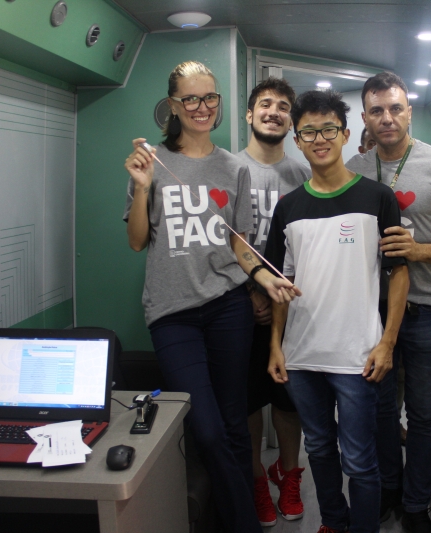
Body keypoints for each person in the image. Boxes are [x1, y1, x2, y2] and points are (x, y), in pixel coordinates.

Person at [123, 60, 299, 533]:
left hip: (227, 307)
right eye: (191, 99)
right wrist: (141, 189)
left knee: (235, 422)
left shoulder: (233, 167)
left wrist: (264, 279)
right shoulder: (151, 161)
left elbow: (239, 245)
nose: (202, 107)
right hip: (172, 312)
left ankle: (234, 519)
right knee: (206, 427)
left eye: (210, 98)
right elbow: (137, 241)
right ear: (173, 105)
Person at [346, 71, 431, 533]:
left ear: (409, 112)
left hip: (429, 308)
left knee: (423, 416)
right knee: (381, 411)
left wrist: (419, 250)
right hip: (374, 313)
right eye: (376, 110)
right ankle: (389, 489)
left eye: (395, 108)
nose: (387, 118)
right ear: (365, 117)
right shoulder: (354, 169)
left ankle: (415, 505)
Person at [266, 90, 410, 533]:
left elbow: (399, 274)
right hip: (302, 356)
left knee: (361, 459)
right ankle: (332, 521)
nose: (319, 139)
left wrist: (387, 343)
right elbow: (280, 284)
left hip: (357, 356)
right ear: (297, 140)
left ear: (346, 135)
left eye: (329, 129)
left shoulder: (377, 197)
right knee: (320, 449)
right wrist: (275, 346)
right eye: (308, 132)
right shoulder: (288, 208)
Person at [237, 77, 311, 527]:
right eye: (266, 104)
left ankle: (288, 474)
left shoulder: (304, 174)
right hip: (241, 308)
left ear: (291, 120)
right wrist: (251, 293)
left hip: (292, 310)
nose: (274, 112)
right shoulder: (229, 168)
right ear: (250, 114)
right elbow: (218, 242)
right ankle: (256, 482)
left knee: (289, 402)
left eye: (284, 106)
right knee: (248, 403)